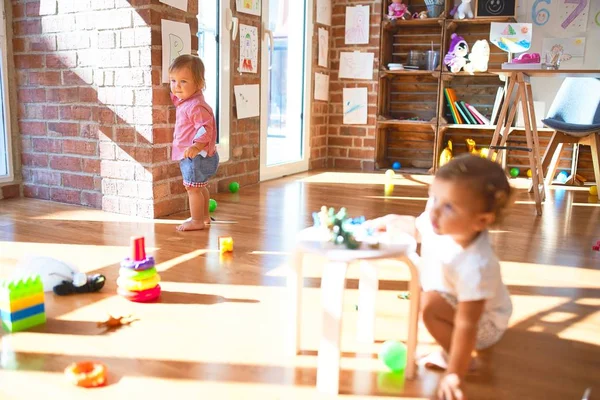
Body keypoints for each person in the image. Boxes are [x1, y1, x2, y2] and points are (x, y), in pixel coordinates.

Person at [368, 154, 514, 400]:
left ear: (481, 221)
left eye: (448, 206)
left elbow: (468, 324)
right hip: (458, 299)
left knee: (430, 306)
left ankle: (460, 359)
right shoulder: (441, 222)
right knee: (428, 298)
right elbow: (416, 226)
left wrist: (455, 371)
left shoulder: (476, 264)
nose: (434, 211)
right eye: (434, 198)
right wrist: (387, 221)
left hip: (486, 324)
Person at [169, 54, 219, 231]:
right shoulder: (188, 101)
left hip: (195, 156)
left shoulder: (196, 105)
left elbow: (205, 128)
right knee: (199, 186)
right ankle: (204, 216)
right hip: (194, 155)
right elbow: (176, 96)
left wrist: (196, 146)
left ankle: (197, 220)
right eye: (173, 80)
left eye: (183, 81)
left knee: (192, 189)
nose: (176, 86)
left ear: (198, 84)